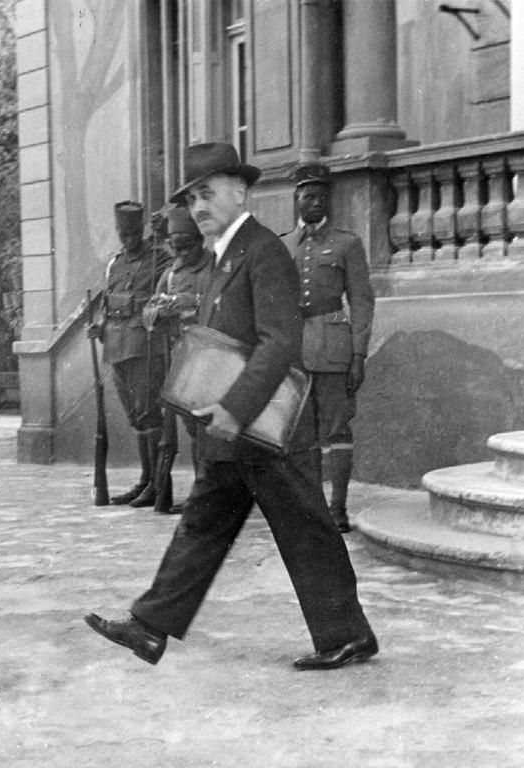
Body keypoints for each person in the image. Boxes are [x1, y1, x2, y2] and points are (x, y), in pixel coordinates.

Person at [84, 143, 378, 671]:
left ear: (240, 192)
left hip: (267, 425)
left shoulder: (262, 250)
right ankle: (151, 628)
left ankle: (349, 635)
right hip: (238, 427)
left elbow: (279, 341)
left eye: (208, 193)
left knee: (306, 529)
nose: (198, 207)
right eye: (193, 197)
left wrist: (235, 407)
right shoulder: (225, 252)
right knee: (203, 522)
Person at [281, 165, 375, 533]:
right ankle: (312, 507)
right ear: (297, 200)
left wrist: (359, 354)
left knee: (337, 429)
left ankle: (337, 508)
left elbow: (362, 300)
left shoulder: (347, 243)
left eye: (321, 197)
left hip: (335, 347)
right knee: (301, 433)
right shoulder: (285, 244)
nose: (315, 203)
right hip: (295, 349)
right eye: (308, 196)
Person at [88, 201, 172, 508]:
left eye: (135, 233)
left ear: (143, 230)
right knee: (135, 416)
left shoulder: (159, 258)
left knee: (149, 411)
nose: (130, 239)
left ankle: (156, 484)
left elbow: (165, 293)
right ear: (118, 232)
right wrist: (98, 326)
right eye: (124, 234)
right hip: (114, 346)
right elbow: (108, 304)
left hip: (143, 345)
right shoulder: (115, 263)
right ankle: (144, 479)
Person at [142, 206, 212, 503]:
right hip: (179, 358)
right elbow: (147, 313)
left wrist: (191, 301)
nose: (182, 252)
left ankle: (209, 492)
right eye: (177, 246)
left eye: (188, 245)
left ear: (200, 240)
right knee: (193, 429)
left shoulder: (215, 267)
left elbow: (226, 303)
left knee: (207, 427)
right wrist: (159, 311)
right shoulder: (170, 275)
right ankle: (202, 489)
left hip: (210, 357)